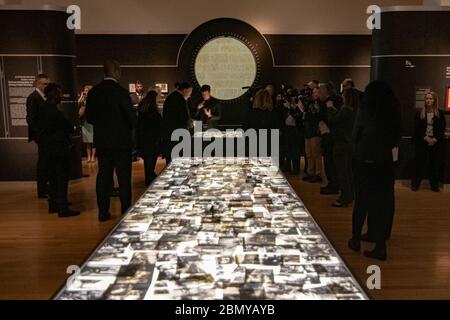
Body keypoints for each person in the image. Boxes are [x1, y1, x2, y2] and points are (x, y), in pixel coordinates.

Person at [348, 80, 401, 261]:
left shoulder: (366, 108)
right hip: (384, 161)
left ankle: (355, 239)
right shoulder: (394, 110)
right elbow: (397, 136)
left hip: (364, 159)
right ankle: (380, 245)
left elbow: (356, 133)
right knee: (382, 204)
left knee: (361, 200)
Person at [86, 60, 136, 222]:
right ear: (116, 71)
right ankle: (125, 209)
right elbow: (131, 119)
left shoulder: (94, 92)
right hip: (121, 142)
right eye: (119, 70)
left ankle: (103, 212)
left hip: (102, 142)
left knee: (103, 177)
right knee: (123, 178)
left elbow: (90, 118)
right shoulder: (121, 93)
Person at [36, 83, 80, 218]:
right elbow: (67, 127)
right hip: (59, 150)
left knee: (52, 178)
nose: (61, 96)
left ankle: (53, 205)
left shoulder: (42, 110)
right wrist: (71, 128)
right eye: (59, 93)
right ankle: (63, 208)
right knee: (61, 178)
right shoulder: (56, 113)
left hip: (47, 149)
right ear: (54, 95)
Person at [328, 88, 359, 207]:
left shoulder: (346, 109)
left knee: (342, 172)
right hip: (349, 144)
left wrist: (330, 108)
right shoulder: (354, 110)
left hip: (341, 144)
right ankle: (350, 194)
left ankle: (345, 197)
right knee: (348, 171)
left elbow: (333, 121)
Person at [411, 91, 446, 192]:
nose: (428, 100)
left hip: (435, 143)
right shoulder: (419, 113)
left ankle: (434, 186)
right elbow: (417, 129)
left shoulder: (440, 113)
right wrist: (426, 138)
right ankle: (415, 185)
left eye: (430, 98)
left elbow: (441, 129)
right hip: (422, 142)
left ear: (434, 100)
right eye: (427, 98)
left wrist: (435, 139)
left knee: (434, 164)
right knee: (419, 164)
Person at [26, 74, 49, 198]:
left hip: (45, 136)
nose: (46, 86)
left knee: (46, 162)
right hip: (41, 136)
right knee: (43, 163)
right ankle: (42, 190)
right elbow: (30, 119)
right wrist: (39, 136)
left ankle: (46, 188)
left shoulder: (43, 97)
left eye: (47, 84)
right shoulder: (33, 98)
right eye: (44, 84)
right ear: (38, 84)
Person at [319, 82, 342, 195]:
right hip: (328, 135)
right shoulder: (326, 102)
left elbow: (331, 119)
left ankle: (333, 185)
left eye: (320, 91)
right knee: (328, 162)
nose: (318, 93)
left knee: (330, 162)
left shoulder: (331, 102)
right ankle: (332, 184)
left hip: (330, 136)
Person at [162, 82, 193, 164]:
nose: (190, 95)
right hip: (178, 134)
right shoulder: (180, 99)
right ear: (185, 90)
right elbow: (184, 117)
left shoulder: (171, 97)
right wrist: (190, 124)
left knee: (171, 159)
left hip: (170, 133)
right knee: (178, 158)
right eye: (190, 92)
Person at [137, 90, 163, 186]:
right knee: (151, 160)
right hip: (152, 140)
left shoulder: (143, 108)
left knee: (148, 160)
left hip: (144, 139)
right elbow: (157, 125)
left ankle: (149, 176)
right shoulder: (152, 110)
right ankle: (149, 178)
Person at [302, 87, 323, 183]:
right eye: (313, 92)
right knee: (309, 154)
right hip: (308, 131)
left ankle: (318, 174)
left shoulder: (321, 104)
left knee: (316, 154)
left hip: (315, 131)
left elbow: (318, 117)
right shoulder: (309, 104)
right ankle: (311, 172)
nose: (313, 94)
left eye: (315, 92)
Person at [78, 84, 96, 163]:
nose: (85, 92)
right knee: (87, 141)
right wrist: (81, 97)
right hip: (85, 122)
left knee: (93, 141)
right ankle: (88, 157)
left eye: (87, 90)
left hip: (92, 121)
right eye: (84, 90)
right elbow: (77, 105)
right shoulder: (83, 100)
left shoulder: (93, 99)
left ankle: (93, 157)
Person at [129, 81, 145, 162]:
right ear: (135, 87)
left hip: (143, 120)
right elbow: (129, 107)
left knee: (142, 137)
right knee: (134, 137)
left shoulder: (145, 96)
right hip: (134, 120)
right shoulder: (131, 96)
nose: (139, 88)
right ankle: (134, 154)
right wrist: (135, 107)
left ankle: (142, 154)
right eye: (138, 86)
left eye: (141, 86)